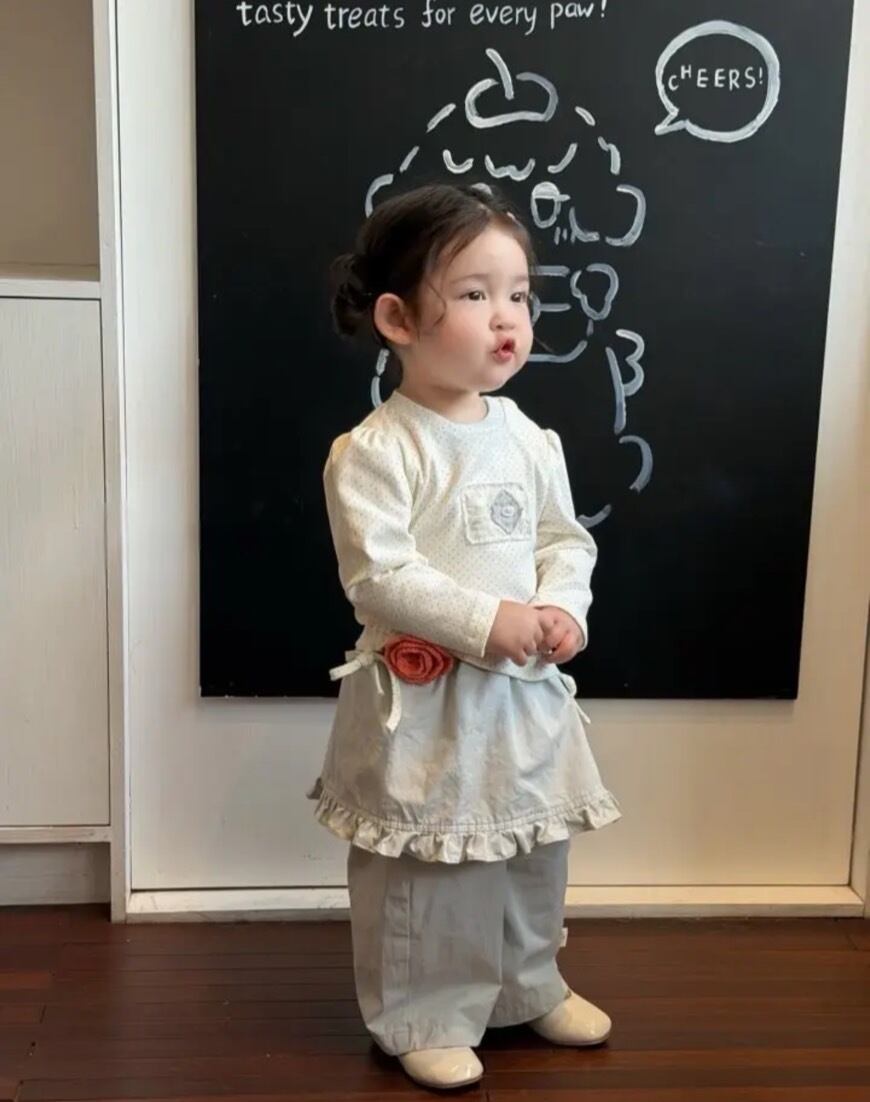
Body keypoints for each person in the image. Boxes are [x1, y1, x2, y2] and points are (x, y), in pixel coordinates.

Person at [307, 181, 622, 1090]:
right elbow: (381, 575)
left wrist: (562, 607)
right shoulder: (377, 451)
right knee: (431, 867)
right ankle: (426, 1013)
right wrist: (491, 620)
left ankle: (527, 984)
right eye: (476, 294)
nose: (507, 316)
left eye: (519, 294)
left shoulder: (529, 438)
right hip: (427, 705)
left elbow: (565, 539)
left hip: (521, 701)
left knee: (529, 850)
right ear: (399, 319)